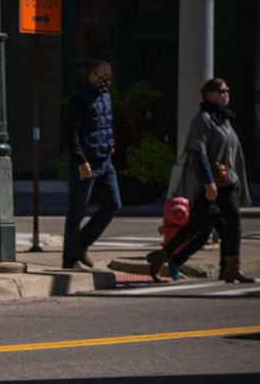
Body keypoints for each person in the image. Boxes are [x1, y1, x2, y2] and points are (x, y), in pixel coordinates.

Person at [147, 78, 254, 284]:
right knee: (200, 226)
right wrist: (208, 182)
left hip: (225, 181)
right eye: (222, 91)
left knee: (221, 223)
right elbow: (198, 152)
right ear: (210, 95)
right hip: (210, 182)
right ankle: (162, 257)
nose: (226, 94)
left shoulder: (223, 119)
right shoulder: (202, 119)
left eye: (227, 91)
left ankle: (231, 269)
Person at [62, 58, 121, 270]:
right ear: (92, 76)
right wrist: (81, 161)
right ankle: (70, 260)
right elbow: (71, 134)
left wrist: (110, 143)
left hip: (105, 161)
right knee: (77, 211)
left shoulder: (106, 96)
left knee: (113, 204)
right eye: (103, 76)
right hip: (86, 163)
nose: (106, 80)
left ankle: (82, 244)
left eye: (109, 76)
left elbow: (106, 123)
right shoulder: (79, 99)